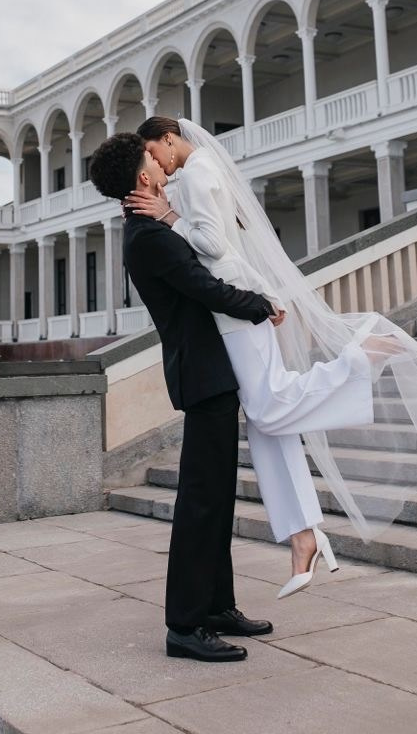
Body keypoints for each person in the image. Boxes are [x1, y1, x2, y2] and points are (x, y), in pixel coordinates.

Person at [127, 116, 417, 596]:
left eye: (154, 151)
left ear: (169, 140)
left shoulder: (195, 175)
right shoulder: (201, 171)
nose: (157, 165)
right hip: (233, 295)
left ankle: (361, 358)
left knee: (270, 405)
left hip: (232, 300)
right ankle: (303, 534)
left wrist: (169, 217)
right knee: (267, 418)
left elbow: (209, 242)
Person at [88, 132, 278, 663]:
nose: (159, 155)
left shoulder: (150, 225)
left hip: (210, 372)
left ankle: (218, 607)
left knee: (215, 499)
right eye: (151, 155)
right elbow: (203, 286)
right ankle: (185, 625)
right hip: (201, 374)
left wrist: (173, 214)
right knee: (200, 502)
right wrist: (261, 304)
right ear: (144, 177)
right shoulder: (146, 236)